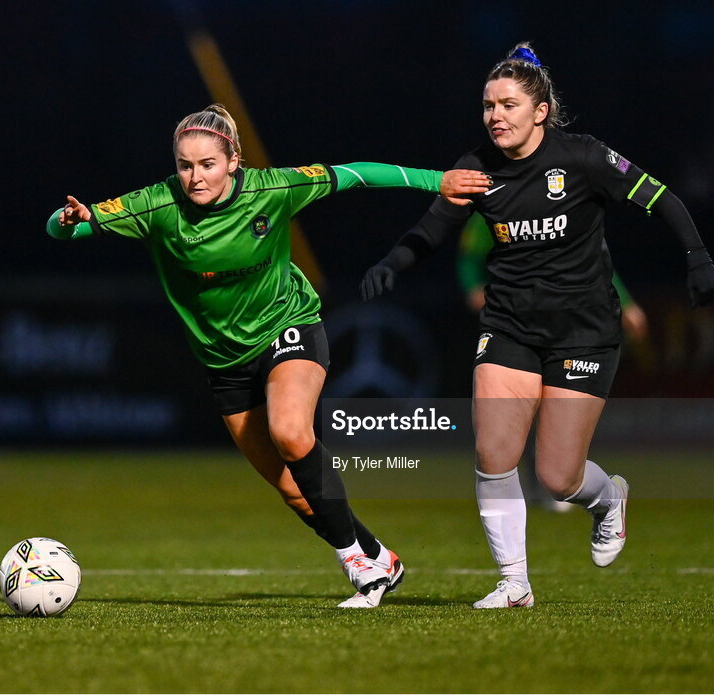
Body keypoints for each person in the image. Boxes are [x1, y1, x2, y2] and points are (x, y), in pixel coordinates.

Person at [47, 104, 491, 608]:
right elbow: (62, 229)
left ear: (233, 159)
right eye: (185, 165)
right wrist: (69, 220)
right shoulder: (156, 205)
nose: (196, 177)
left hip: (289, 326)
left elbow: (356, 175)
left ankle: (359, 568)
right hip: (224, 362)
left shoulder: (273, 188)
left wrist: (438, 181)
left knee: (290, 431)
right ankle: (378, 557)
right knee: (294, 491)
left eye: (208, 164)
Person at [361, 44, 714, 608]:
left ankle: (609, 500)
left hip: (584, 331)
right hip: (509, 326)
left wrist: (698, 258)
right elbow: (433, 229)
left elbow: (661, 198)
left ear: (541, 111)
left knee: (558, 476)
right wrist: (393, 262)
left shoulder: (582, 158)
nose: (495, 116)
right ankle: (514, 584)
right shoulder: (477, 168)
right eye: (488, 105)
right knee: (494, 451)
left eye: (508, 104)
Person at [457, 215, 649, 512]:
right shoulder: (496, 201)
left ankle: (562, 483)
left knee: (555, 409)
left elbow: (595, 263)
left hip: (569, 322)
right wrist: (474, 287)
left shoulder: (569, 199)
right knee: (518, 409)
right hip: (512, 321)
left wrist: (626, 303)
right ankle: (531, 486)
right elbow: (470, 255)